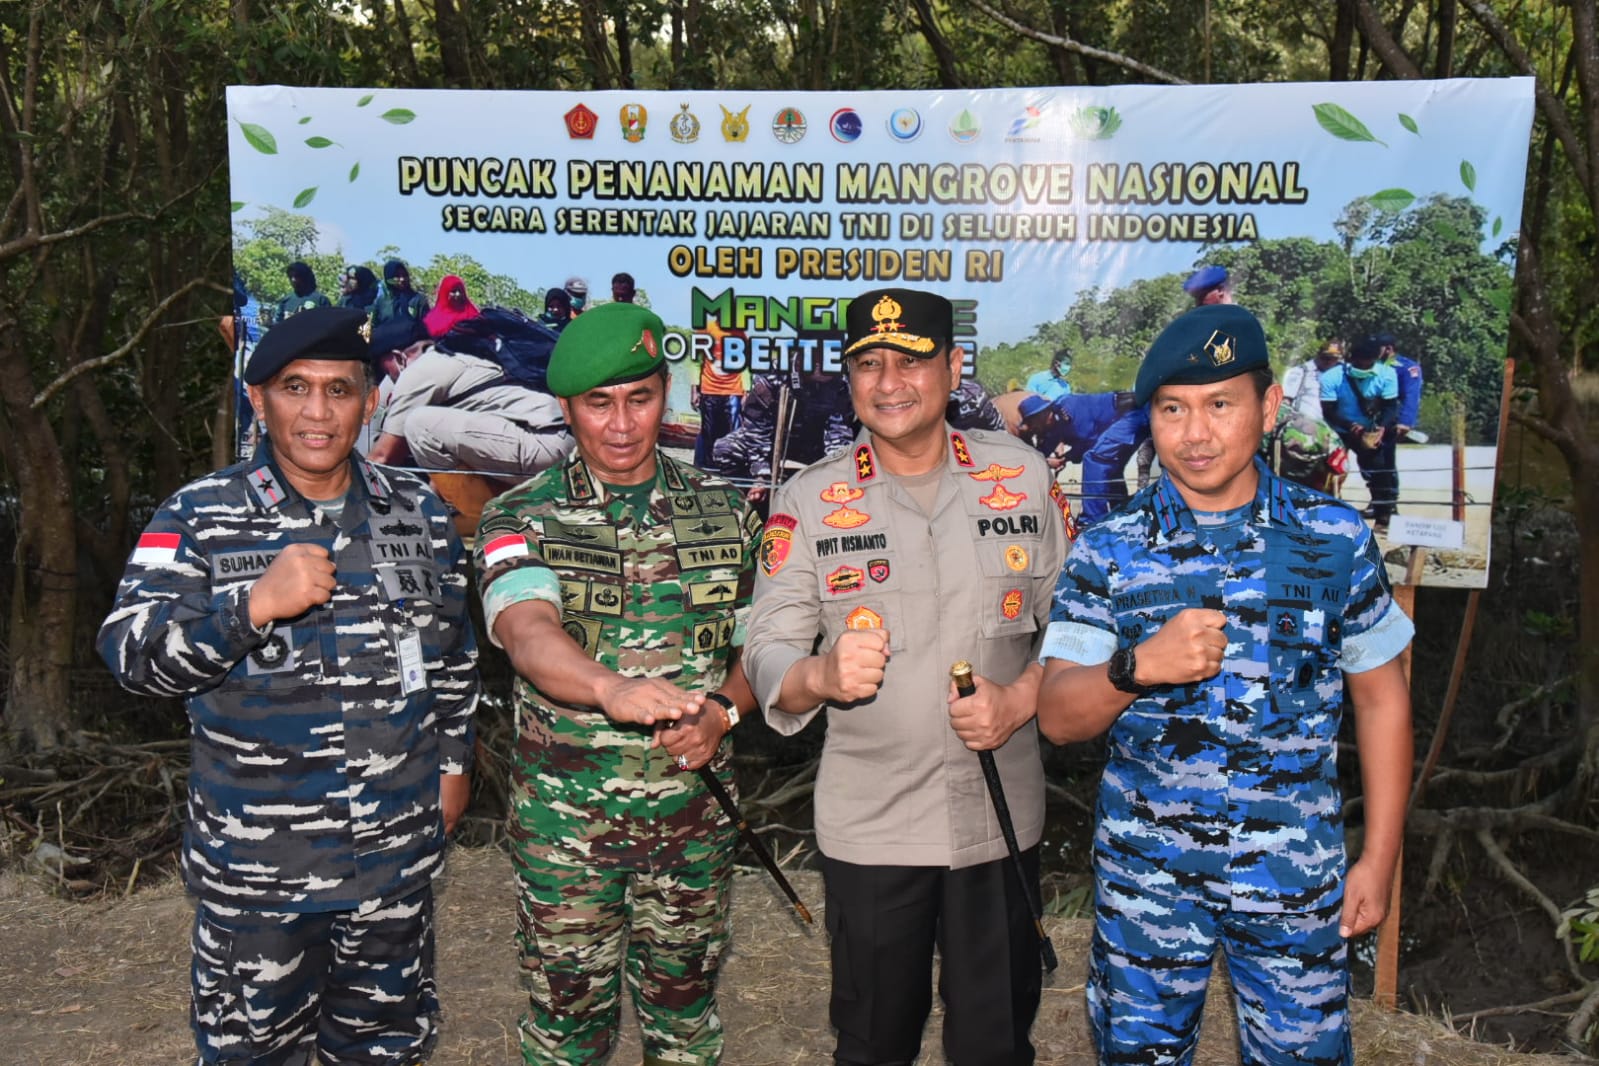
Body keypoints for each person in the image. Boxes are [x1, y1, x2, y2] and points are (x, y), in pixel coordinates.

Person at [97, 306, 481, 1065]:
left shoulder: (420, 514)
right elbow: (129, 657)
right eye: (294, 388)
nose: (317, 412)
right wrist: (247, 610)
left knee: (384, 1051)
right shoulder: (202, 516)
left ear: (369, 402)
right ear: (259, 398)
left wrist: (455, 764)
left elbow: (452, 656)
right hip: (259, 877)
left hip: (391, 865)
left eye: (338, 390)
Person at [1036, 303, 1413, 1065]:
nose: (1195, 433)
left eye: (1219, 404)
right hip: (1146, 878)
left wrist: (1377, 857)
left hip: (1293, 871)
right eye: (1172, 409)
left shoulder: (1333, 539)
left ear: (1268, 408)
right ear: (1149, 419)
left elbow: (1381, 700)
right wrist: (1135, 668)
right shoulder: (1107, 551)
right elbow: (1056, 717)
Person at [744, 287, 1070, 1066]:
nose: (889, 382)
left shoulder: (1022, 481)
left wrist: (1022, 697)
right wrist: (818, 674)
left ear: (954, 368)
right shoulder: (810, 499)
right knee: (872, 1043)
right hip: (873, 828)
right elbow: (765, 652)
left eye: (911, 360)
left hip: (998, 821)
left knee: (993, 1045)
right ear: (849, 377)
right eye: (868, 363)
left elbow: (1080, 628)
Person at [475, 302, 760, 1065]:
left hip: (693, 826)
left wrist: (724, 713)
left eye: (640, 398)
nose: (622, 423)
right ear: (567, 409)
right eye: (598, 403)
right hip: (567, 835)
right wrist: (610, 689)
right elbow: (526, 631)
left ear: (666, 392)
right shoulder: (519, 516)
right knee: (568, 1035)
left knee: (686, 1031)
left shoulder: (729, 513)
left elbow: (761, 648)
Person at [366, 337, 572, 477]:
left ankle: (479, 516)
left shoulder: (419, 371)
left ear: (397, 356)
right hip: (560, 439)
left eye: (382, 366)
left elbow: (383, 457)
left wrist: (342, 495)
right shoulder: (455, 353)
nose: (386, 376)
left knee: (419, 425)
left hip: (545, 444)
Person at [1015, 390, 1152, 523]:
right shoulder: (1053, 426)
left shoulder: (1068, 409)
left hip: (1134, 413)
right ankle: (1123, 514)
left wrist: (1066, 458)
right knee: (1110, 468)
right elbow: (1039, 455)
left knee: (1094, 460)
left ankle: (1092, 520)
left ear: (1043, 415)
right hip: (1130, 417)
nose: (1031, 427)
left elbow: (1089, 441)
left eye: (1031, 422)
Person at [1321, 336, 1400, 529]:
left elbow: (1390, 407)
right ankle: (1325, 511)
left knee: (1379, 471)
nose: (1364, 367)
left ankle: (1384, 515)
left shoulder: (1387, 374)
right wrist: (1349, 426)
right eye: (1359, 363)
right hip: (1340, 428)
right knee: (1329, 469)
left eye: (1368, 363)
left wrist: (1381, 427)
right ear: (1351, 360)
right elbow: (1328, 410)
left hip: (1371, 431)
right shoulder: (1332, 377)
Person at [693, 317, 748, 469]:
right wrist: (694, 389)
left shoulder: (739, 333)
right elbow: (696, 360)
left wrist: (746, 390)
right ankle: (706, 467)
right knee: (708, 431)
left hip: (733, 389)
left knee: (734, 432)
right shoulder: (706, 329)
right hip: (709, 388)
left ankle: (732, 468)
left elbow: (746, 362)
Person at [1376, 330, 1424, 441]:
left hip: (1392, 418)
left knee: (1385, 454)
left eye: (1376, 347)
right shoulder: (1371, 365)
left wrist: (1405, 421)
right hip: (1370, 417)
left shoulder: (1407, 368)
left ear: (1389, 349)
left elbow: (1411, 395)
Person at [1282, 340, 1343, 422]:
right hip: (1299, 423)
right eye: (1326, 357)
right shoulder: (1300, 372)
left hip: (1324, 427)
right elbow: (1285, 401)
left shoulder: (1337, 377)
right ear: (1319, 355)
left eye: (1333, 359)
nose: (1329, 361)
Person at [423, 274, 480, 338]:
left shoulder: (472, 314)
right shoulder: (433, 319)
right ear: (444, 293)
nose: (458, 294)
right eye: (453, 291)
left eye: (460, 291)